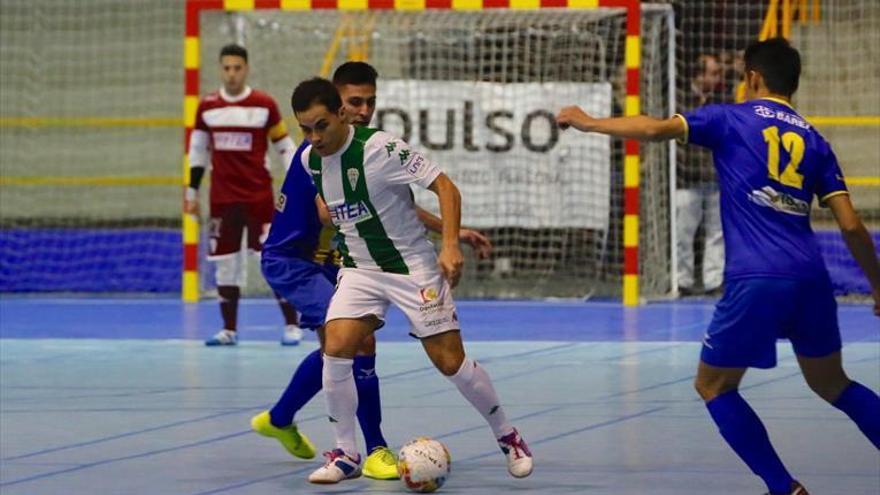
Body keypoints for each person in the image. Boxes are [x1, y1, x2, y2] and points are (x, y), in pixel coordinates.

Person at [557, 37, 880, 495]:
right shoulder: (815, 139)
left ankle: (783, 488)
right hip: (811, 277)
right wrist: (878, 287)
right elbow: (850, 225)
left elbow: (652, 129)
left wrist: (589, 122)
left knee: (713, 386)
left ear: (752, 77)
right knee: (834, 385)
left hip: (757, 277)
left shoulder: (730, 117)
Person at [250, 62, 493, 480]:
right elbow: (333, 214)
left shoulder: (359, 149)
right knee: (355, 343)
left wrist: (452, 230)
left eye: (369, 103)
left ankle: (280, 417)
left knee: (343, 344)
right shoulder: (318, 152)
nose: (363, 112)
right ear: (337, 109)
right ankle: (371, 448)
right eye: (353, 103)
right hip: (296, 261)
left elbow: (385, 204)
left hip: (329, 261)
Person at [290, 77, 533, 484]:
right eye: (305, 129)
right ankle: (346, 453)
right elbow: (337, 204)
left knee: (450, 363)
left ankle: (508, 436)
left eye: (321, 126)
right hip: (360, 270)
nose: (314, 137)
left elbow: (445, 187)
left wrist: (450, 244)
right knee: (336, 347)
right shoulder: (308, 160)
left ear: (341, 115)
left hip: (412, 267)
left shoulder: (381, 149)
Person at [185, 44, 303, 346]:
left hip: (258, 198)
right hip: (223, 201)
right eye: (227, 68)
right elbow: (198, 152)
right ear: (220, 69)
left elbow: (284, 147)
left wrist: (300, 183)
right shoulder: (207, 107)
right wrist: (191, 192)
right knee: (226, 263)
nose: (232, 73)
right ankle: (229, 330)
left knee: (272, 259)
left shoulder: (264, 104)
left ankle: (292, 324)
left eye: (237, 67)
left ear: (246, 68)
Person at [677, 54, 725, 296]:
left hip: (716, 179)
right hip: (686, 179)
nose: (718, 78)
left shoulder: (721, 101)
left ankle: (713, 281)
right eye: (713, 73)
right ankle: (682, 280)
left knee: (717, 234)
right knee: (683, 233)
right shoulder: (681, 101)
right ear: (699, 74)